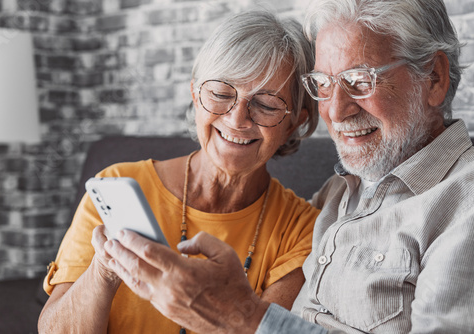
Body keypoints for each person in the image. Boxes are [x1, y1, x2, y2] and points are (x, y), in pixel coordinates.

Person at [102, 0, 474, 333]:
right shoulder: (338, 193)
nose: (335, 110)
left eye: (359, 81)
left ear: (434, 78)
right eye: (324, 83)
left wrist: (246, 318)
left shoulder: (469, 202)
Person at [38, 10, 320, 334]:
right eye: (220, 93)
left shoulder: (302, 230)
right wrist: (106, 268)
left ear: (295, 123)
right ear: (195, 94)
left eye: (267, 104)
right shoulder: (116, 184)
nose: (237, 119)